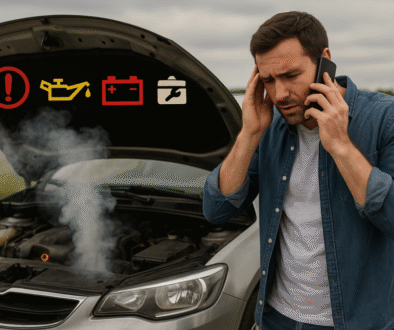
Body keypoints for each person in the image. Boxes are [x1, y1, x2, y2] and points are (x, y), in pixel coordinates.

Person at [203, 11, 394, 330]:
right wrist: (250, 133)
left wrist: (341, 146)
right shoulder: (269, 130)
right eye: (268, 80)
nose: (279, 94)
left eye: (291, 75)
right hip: (276, 317)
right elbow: (218, 208)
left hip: (359, 321)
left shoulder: (384, 120)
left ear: (325, 60)